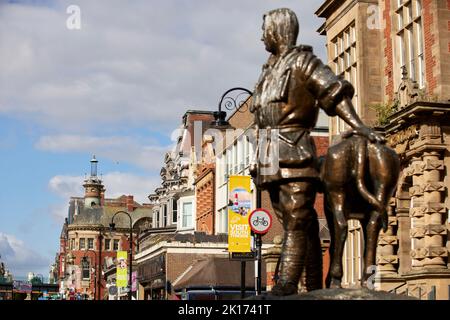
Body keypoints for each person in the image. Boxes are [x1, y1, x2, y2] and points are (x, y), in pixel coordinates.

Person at [250, 8, 384, 296]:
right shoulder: (269, 69)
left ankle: (285, 284)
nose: (262, 37)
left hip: (294, 149)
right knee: (294, 221)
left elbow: (333, 94)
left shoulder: (303, 62)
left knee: (297, 217)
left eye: (265, 30)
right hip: (268, 155)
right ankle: (312, 284)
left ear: (277, 31)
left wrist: (359, 126)